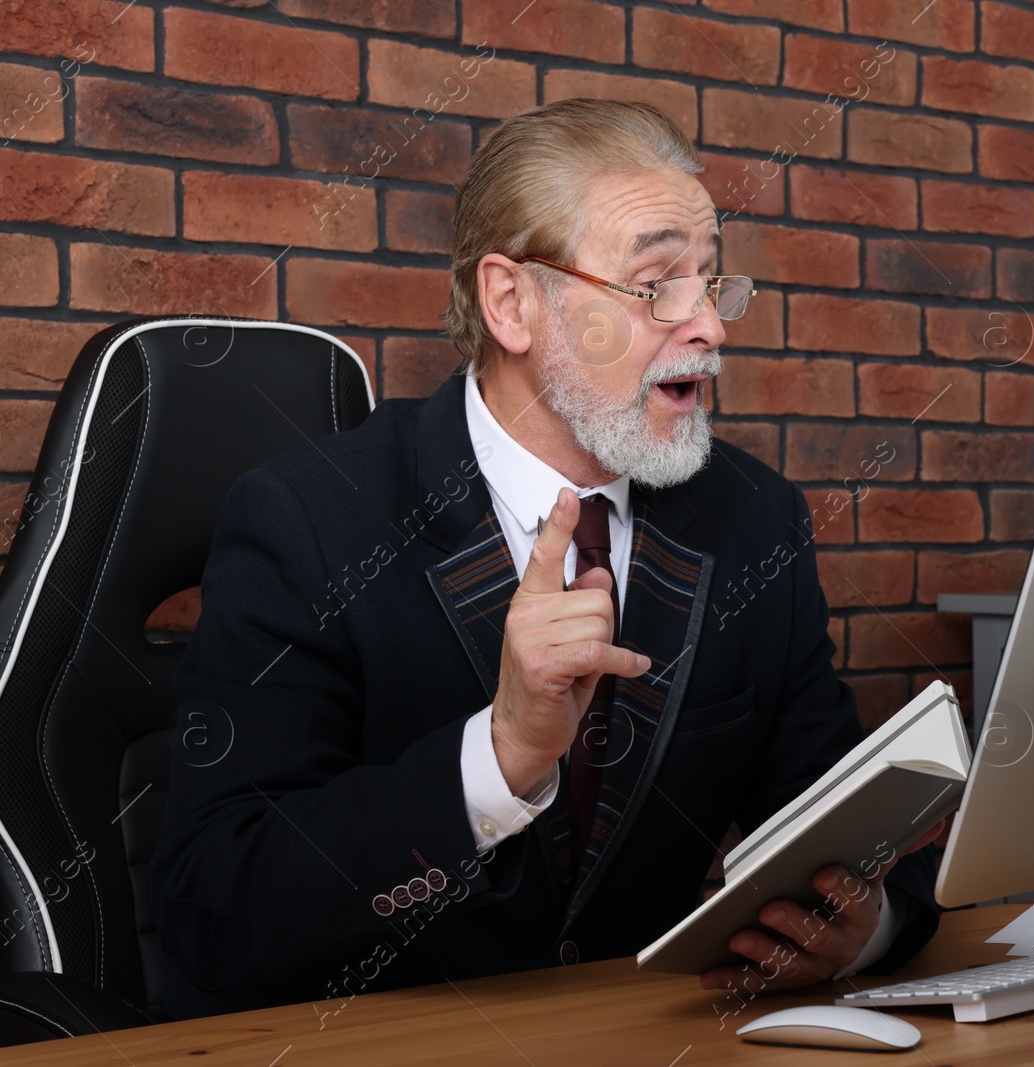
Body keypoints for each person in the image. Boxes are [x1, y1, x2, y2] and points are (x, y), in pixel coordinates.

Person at [151, 98, 941, 1020]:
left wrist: (870, 920)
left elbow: (844, 819)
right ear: (513, 302)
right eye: (656, 286)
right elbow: (216, 909)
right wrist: (498, 757)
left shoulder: (754, 520)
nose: (710, 329)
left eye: (712, 283)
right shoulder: (310, 518)